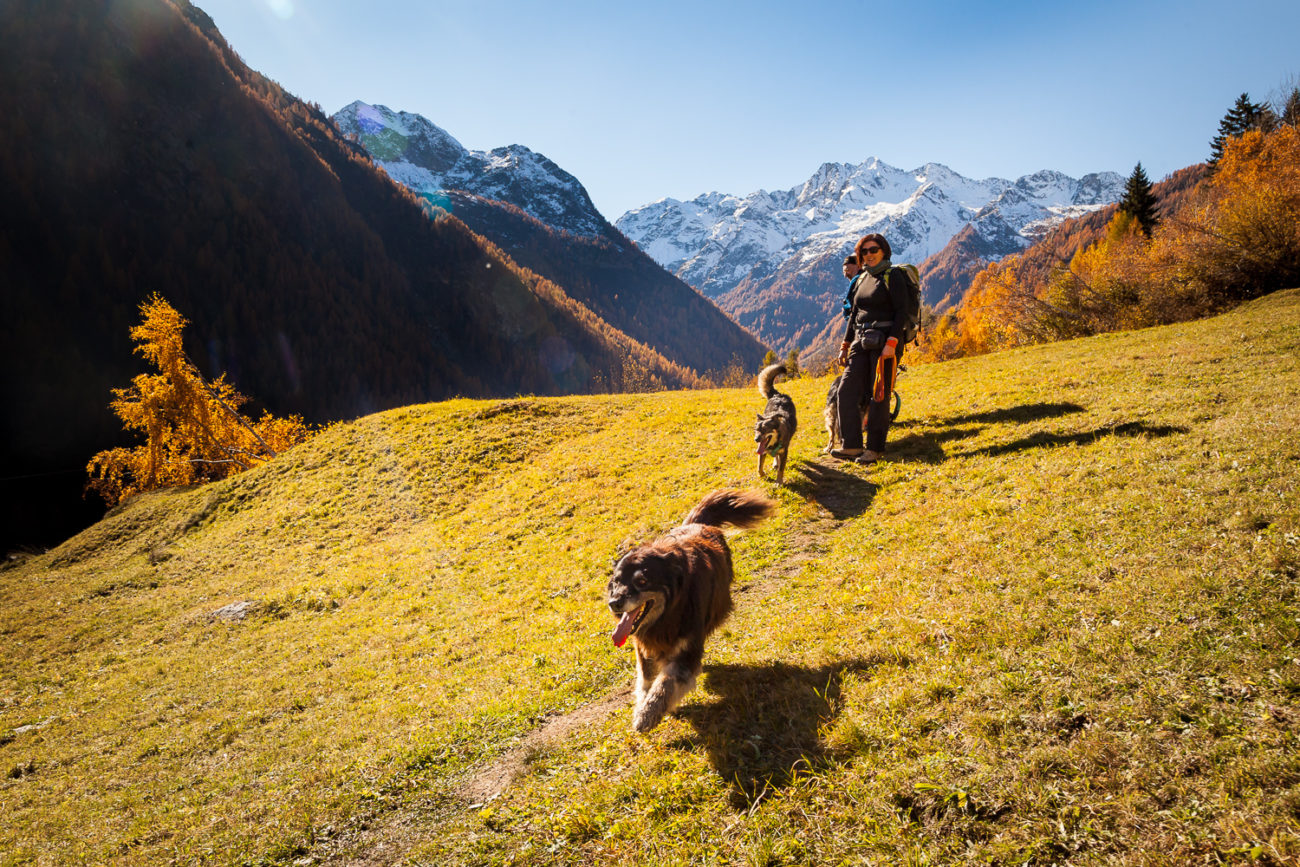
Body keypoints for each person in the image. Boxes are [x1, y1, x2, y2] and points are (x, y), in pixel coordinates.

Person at [831, 233, 910, 464]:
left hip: (885, 341)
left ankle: (875, 448)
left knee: (879, 394)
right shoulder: (862, 278)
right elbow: (854, 315)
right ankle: (852, 445)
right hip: (860, 340)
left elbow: (902, 312)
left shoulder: (893, 275)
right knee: (845, 391)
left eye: (873, 250)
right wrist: (844, 346)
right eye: (864, 251)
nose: (868, 255)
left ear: (883, 250)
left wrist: (892, 344)